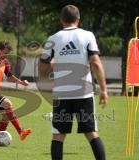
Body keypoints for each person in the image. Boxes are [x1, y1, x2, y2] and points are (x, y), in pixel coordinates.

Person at [40, 5, 108, 160]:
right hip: (83, 92)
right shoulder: (87, 35)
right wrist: (103, 89)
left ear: (61, 20)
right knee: (91, 132)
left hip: (62, 93)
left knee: (58, 134)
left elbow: (43, 68)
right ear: (78, 19)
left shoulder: (53, 39)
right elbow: (96, 63)